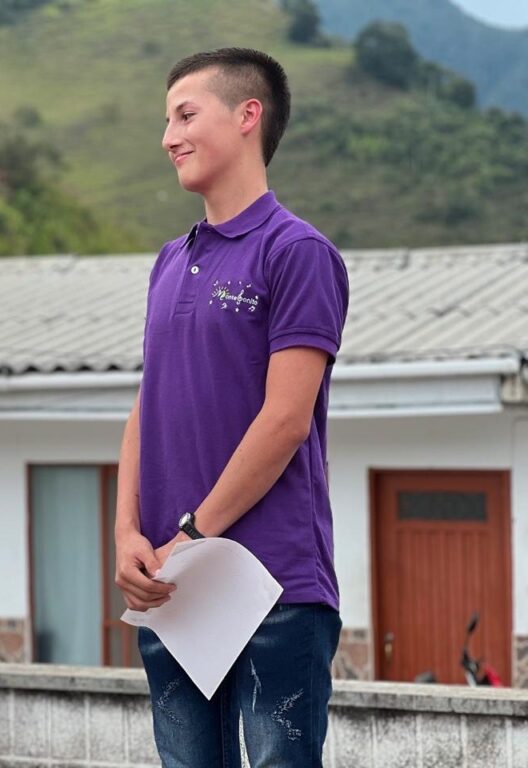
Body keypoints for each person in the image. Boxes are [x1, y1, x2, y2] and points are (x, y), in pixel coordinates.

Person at [114, 49, 349, 767]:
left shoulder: (298, 251)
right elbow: (146, 406)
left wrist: (190, 533)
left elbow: (284, 421)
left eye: (186, 115)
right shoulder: (167, 260)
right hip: (171, 586)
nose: (168, 137)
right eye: (166, 120)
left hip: (274, 584)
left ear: (249, 116)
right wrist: (128, 530)